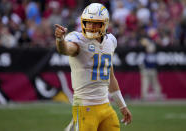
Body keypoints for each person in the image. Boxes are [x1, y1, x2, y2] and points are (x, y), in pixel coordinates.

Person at [55, 3, 132, 131]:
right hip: (85, 107)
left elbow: (110, 77)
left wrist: (122, 106)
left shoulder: (110, 41)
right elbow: (65, 49)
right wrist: (60, 39)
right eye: (88, 22)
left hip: (105, 106)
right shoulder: (78, 40)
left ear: (105, 24)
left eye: (95, 23)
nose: (90, 27)